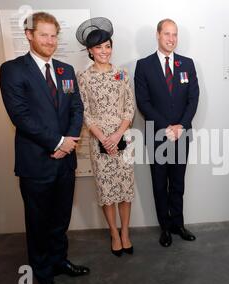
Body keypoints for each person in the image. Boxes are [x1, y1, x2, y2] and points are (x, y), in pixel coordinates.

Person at [0, 12, 89, 284]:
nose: (50, 41)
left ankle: (60, 261)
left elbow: (77, 107)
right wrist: (58, 141)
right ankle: (44, 275)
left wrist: (70, 141)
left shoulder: (65, 70)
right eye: (44, 35)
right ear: (29, 35)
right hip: (36, 163)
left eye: (54, 35)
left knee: (60, 219)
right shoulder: (12, 70)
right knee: (38, 223)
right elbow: (21, 116)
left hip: (66, 160)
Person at [134, 19, 199, 247]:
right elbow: (143, 102)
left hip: (182, 135)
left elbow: (193, 98)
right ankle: (165, 228)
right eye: (167, 34)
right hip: (158, 136)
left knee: (178, 183)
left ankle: (178, 224)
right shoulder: (144, 66)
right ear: (158, 35)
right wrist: (166, 126)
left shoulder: (187, 64)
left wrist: (180, 125)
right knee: (160, 184)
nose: (171, 39)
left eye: (175, 34)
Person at [76, 18, 135, 256]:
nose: (104, 51)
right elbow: (84, 112)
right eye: (99, 47)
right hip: (98, 140)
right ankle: (113, 232)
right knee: (107, 191)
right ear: (90, 51)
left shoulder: (122, 74)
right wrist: (103, 137)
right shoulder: (84, 77)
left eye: (107, 46)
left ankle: (125, 233)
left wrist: (118, 133)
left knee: (125, 189)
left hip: (124, 137)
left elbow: (129, 107)